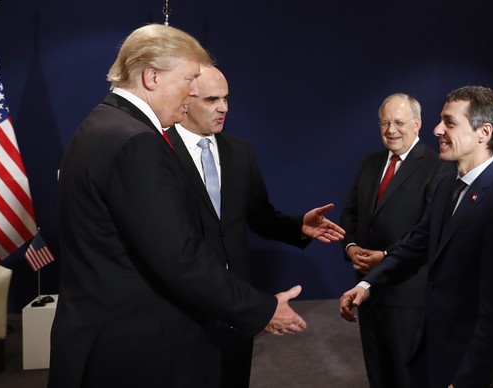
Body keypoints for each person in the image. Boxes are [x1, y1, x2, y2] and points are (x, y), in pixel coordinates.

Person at [47, 23, 308, 388]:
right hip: (137, 350)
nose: (191, 95)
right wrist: (263, 309)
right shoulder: (137, 141)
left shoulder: (100, 125)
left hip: (101, 336)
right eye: (188, 80)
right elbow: (179, 258)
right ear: (152, 76)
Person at [339, 85, 493, 388]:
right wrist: (368, 284)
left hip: (472, 370)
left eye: (449, 122)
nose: (436, 129)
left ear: (484, 132)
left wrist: (465, 382)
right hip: (434, 353)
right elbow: (415, 245)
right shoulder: (448, 186)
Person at [165, 65, 346, 388]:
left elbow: (259, 216)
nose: (224, 107)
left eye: (226, 98)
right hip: (182, 306)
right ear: (187, 100)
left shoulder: (239, 152)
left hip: (235, 303)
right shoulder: (157, 149)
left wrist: (298, 226)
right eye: (212, 99)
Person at [339, 93, 452, 388]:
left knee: (408, 378)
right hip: (368, 291)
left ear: (417, 125)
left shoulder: (437, 166)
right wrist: (350, 248)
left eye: (399, 122)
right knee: (378, 375)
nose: (391, 130)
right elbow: (350, 213)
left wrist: (387, 255)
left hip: (408, 295)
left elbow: (429, 230)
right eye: (385, 123)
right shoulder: (370, 163)